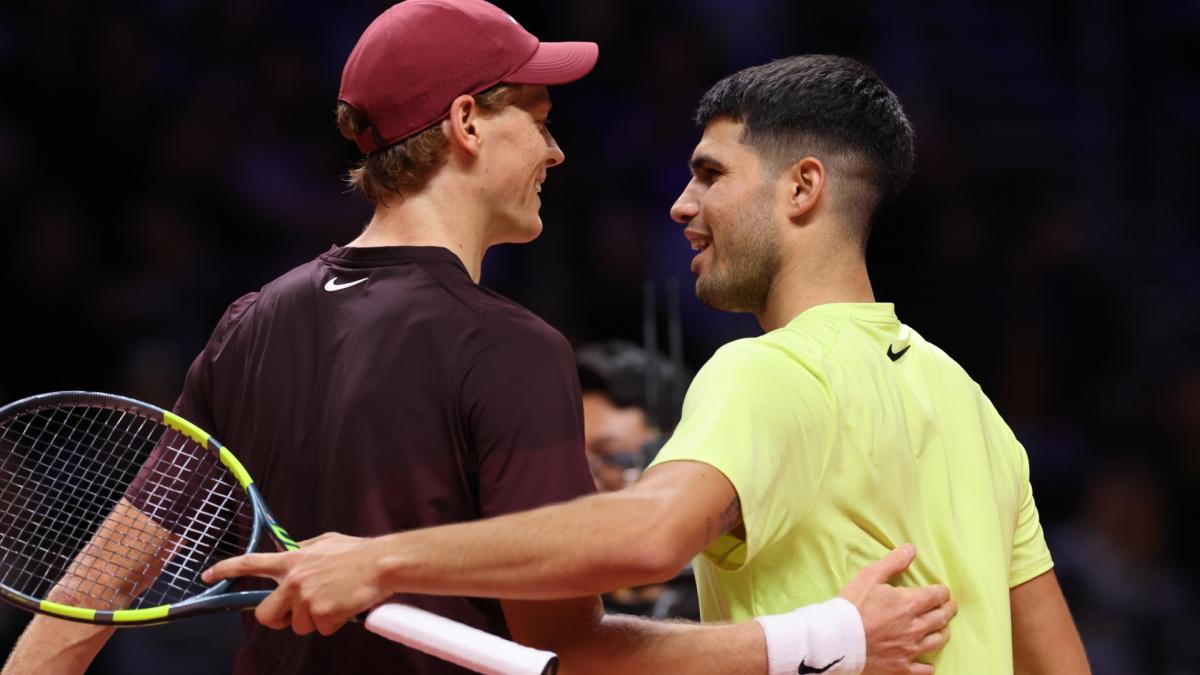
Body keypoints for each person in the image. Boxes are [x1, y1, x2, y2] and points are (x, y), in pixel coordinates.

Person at [1, 6, 953, 675]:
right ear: (464, 122)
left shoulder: (250, 322)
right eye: (536, 119)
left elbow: (95, 589)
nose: (556, 150)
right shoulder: (510, 348)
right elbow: (576, 655)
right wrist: (822, 640)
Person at [200, 54, 1091, 674]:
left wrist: (378, 561)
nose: (679, 204)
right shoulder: (970, 405)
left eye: (709, 175)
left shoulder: (767, 372)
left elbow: (644, 538)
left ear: (803, 188)